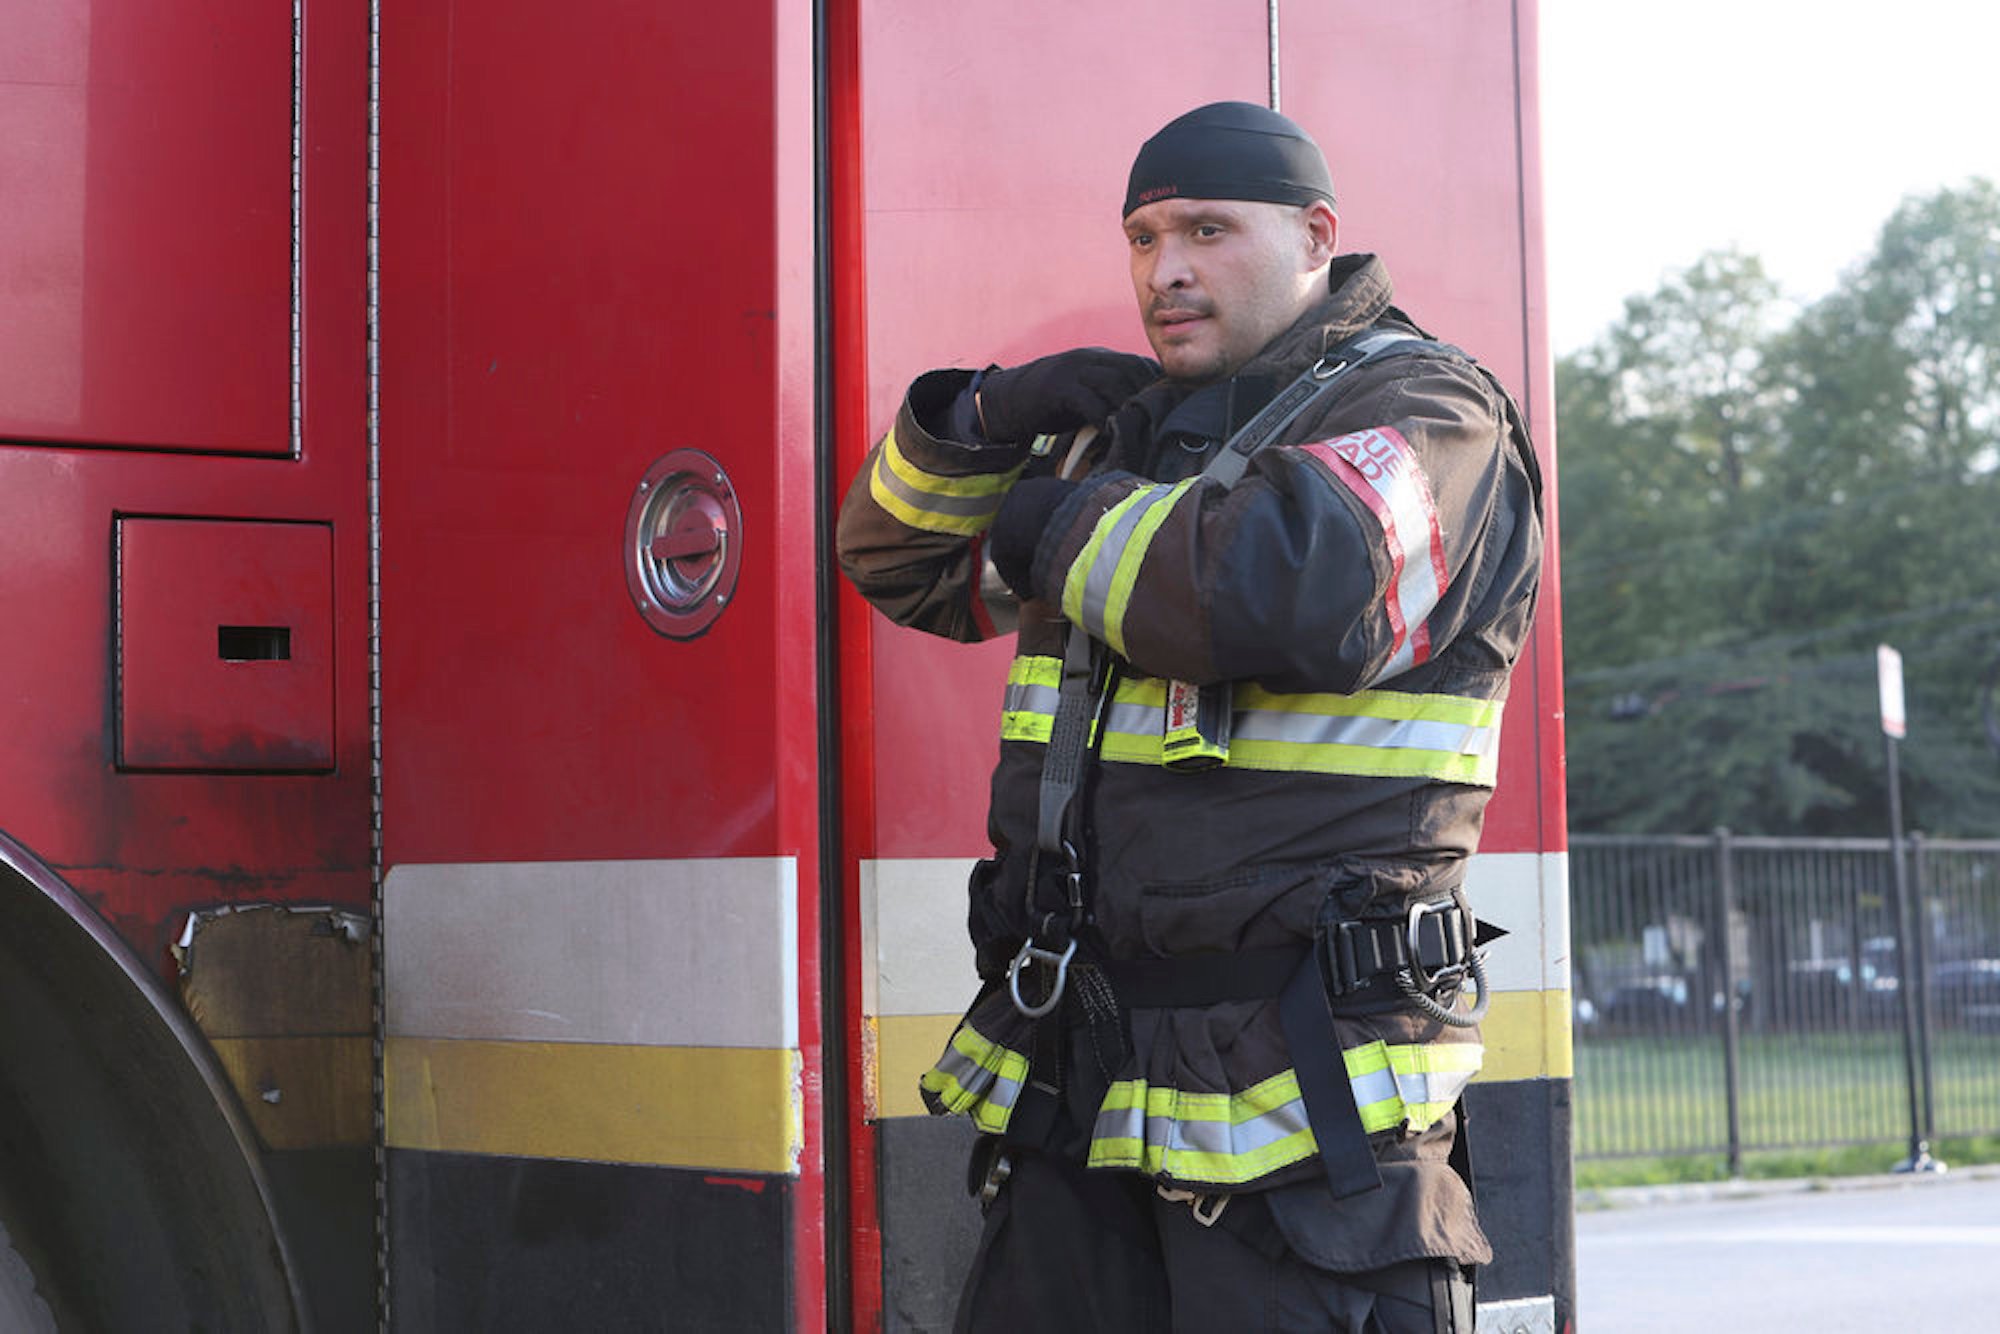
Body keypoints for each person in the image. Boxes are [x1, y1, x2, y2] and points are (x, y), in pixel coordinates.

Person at [837, 101, 1543, 1333]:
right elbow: (896, 563)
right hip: (1080, 1079)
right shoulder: (1134, 442)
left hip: (1308, 1114)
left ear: (1315, 234)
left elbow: (1273, 583)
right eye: (1143, 235)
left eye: (1206, 230)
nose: (1164, 271)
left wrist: (1042, 516)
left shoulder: (1431, 412)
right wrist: (983, 416)